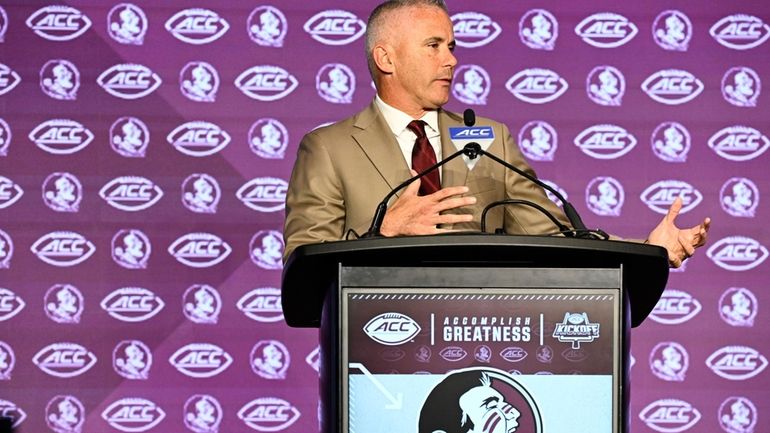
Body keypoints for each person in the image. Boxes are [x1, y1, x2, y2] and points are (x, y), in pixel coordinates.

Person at [283, 0, 710, 267]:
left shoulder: (491, 138)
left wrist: (648, 249)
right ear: (386, 58)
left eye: (452, 46)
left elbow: (555, 234)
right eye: (434, 46)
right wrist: (382, 233)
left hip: (482, 339)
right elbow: (301, 262)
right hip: (376, 349)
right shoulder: (329, 149)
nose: (450, 60)